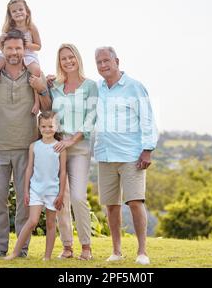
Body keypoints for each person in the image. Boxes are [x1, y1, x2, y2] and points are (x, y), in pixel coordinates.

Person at [0, 29, 52, 258]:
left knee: (24, 201)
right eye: (9, 48)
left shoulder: (33, 74)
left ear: (24, 49)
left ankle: (22, 249)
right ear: (3, 49)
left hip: (25, 147)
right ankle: (0, 249)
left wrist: (42, 88)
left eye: (18, 48)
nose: (14, 52)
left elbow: (47, 109)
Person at [94, 46, 158, 265]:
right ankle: (117, 251)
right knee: (111, 205)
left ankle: (142, 252)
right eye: (99, 62)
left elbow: (147, 119)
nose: (103, 65)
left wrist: (148, 149)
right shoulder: (97, 89)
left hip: (132, 155)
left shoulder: (134, 87)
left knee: (135, 202)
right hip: (105, 154)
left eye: (106, 61)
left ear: (116, 61)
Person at [48, 44, 98, 260]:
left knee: (78, 196)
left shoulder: (90, 86)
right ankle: (67, 247)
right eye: (63, 59)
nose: (67, 61)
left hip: (78, 148)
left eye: (71, 57)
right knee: (60, 198)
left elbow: (91, 118)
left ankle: (86, 246)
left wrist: (72, 140)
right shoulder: (55, 87)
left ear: (77, 58)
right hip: (58, 147)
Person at [4, 111, 66, 261]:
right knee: (32, 221)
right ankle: (14, 253)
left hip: (52, 191)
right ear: (39, 127)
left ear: (56, 127)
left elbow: (63, 172)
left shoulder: (60, 147)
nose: (47, 129)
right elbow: (29, 169)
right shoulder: (34, 146)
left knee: (51, 224)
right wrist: (26, 191)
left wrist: (61, 194)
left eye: (50, 126)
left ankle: (47, 257)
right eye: (43, 126)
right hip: (36, 190)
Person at [0, 0, 42, 115]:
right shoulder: (9, 28)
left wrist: (26, 44)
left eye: (21, 9)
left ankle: (37, 102)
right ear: (10, 15)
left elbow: (39, 46)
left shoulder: (31, 27)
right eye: (14, 11)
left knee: (36, 70)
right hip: (10, 54)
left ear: (27, 11)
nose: (18, 12)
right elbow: (2, 47)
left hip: (28, 53)